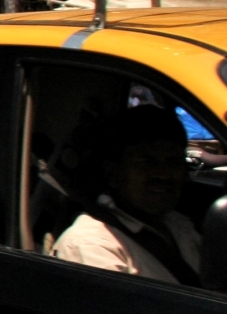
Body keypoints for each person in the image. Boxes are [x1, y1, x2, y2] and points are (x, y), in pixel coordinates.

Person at [52, 104, 202, 285]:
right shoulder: (91, 245)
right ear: (113, 173)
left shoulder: (179, 225)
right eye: (146, 163)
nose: (163, 174)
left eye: (173, 162)